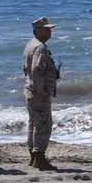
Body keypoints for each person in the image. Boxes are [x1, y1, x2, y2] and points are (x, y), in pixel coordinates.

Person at [23, 17, 61, 170]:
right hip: (37, 93)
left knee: (34, 124)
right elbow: (36, 69)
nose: (49, 31)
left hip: (30, 91)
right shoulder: (39, 47)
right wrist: (40, 88)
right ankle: (39, 158)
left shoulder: (32, 44)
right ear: (37, 30)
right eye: (46, 29)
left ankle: (34, 157)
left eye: (49, 29)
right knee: (43, 125)